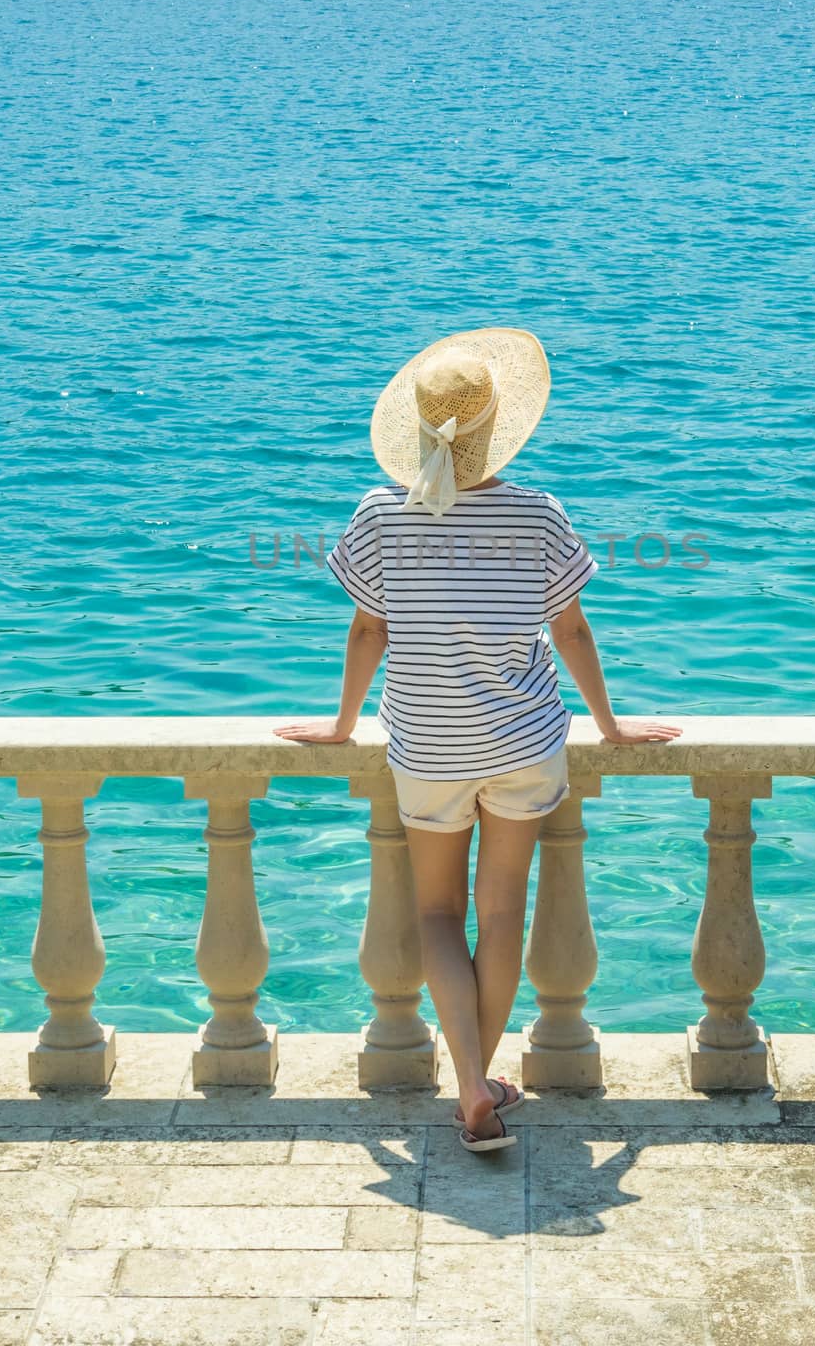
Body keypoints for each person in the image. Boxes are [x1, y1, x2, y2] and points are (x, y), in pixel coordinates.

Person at [275, 327, 680, 1152]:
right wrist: (608, 725)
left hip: (427, 746)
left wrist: (343, 725)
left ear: (417, 428)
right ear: (500, 426)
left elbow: (366, 633)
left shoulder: (381, 513)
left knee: (435, 913)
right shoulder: (537, 514)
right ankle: (477, 1089)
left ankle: (469, 1086)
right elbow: (571, 631)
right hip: (524, 743)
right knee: (501, 916)